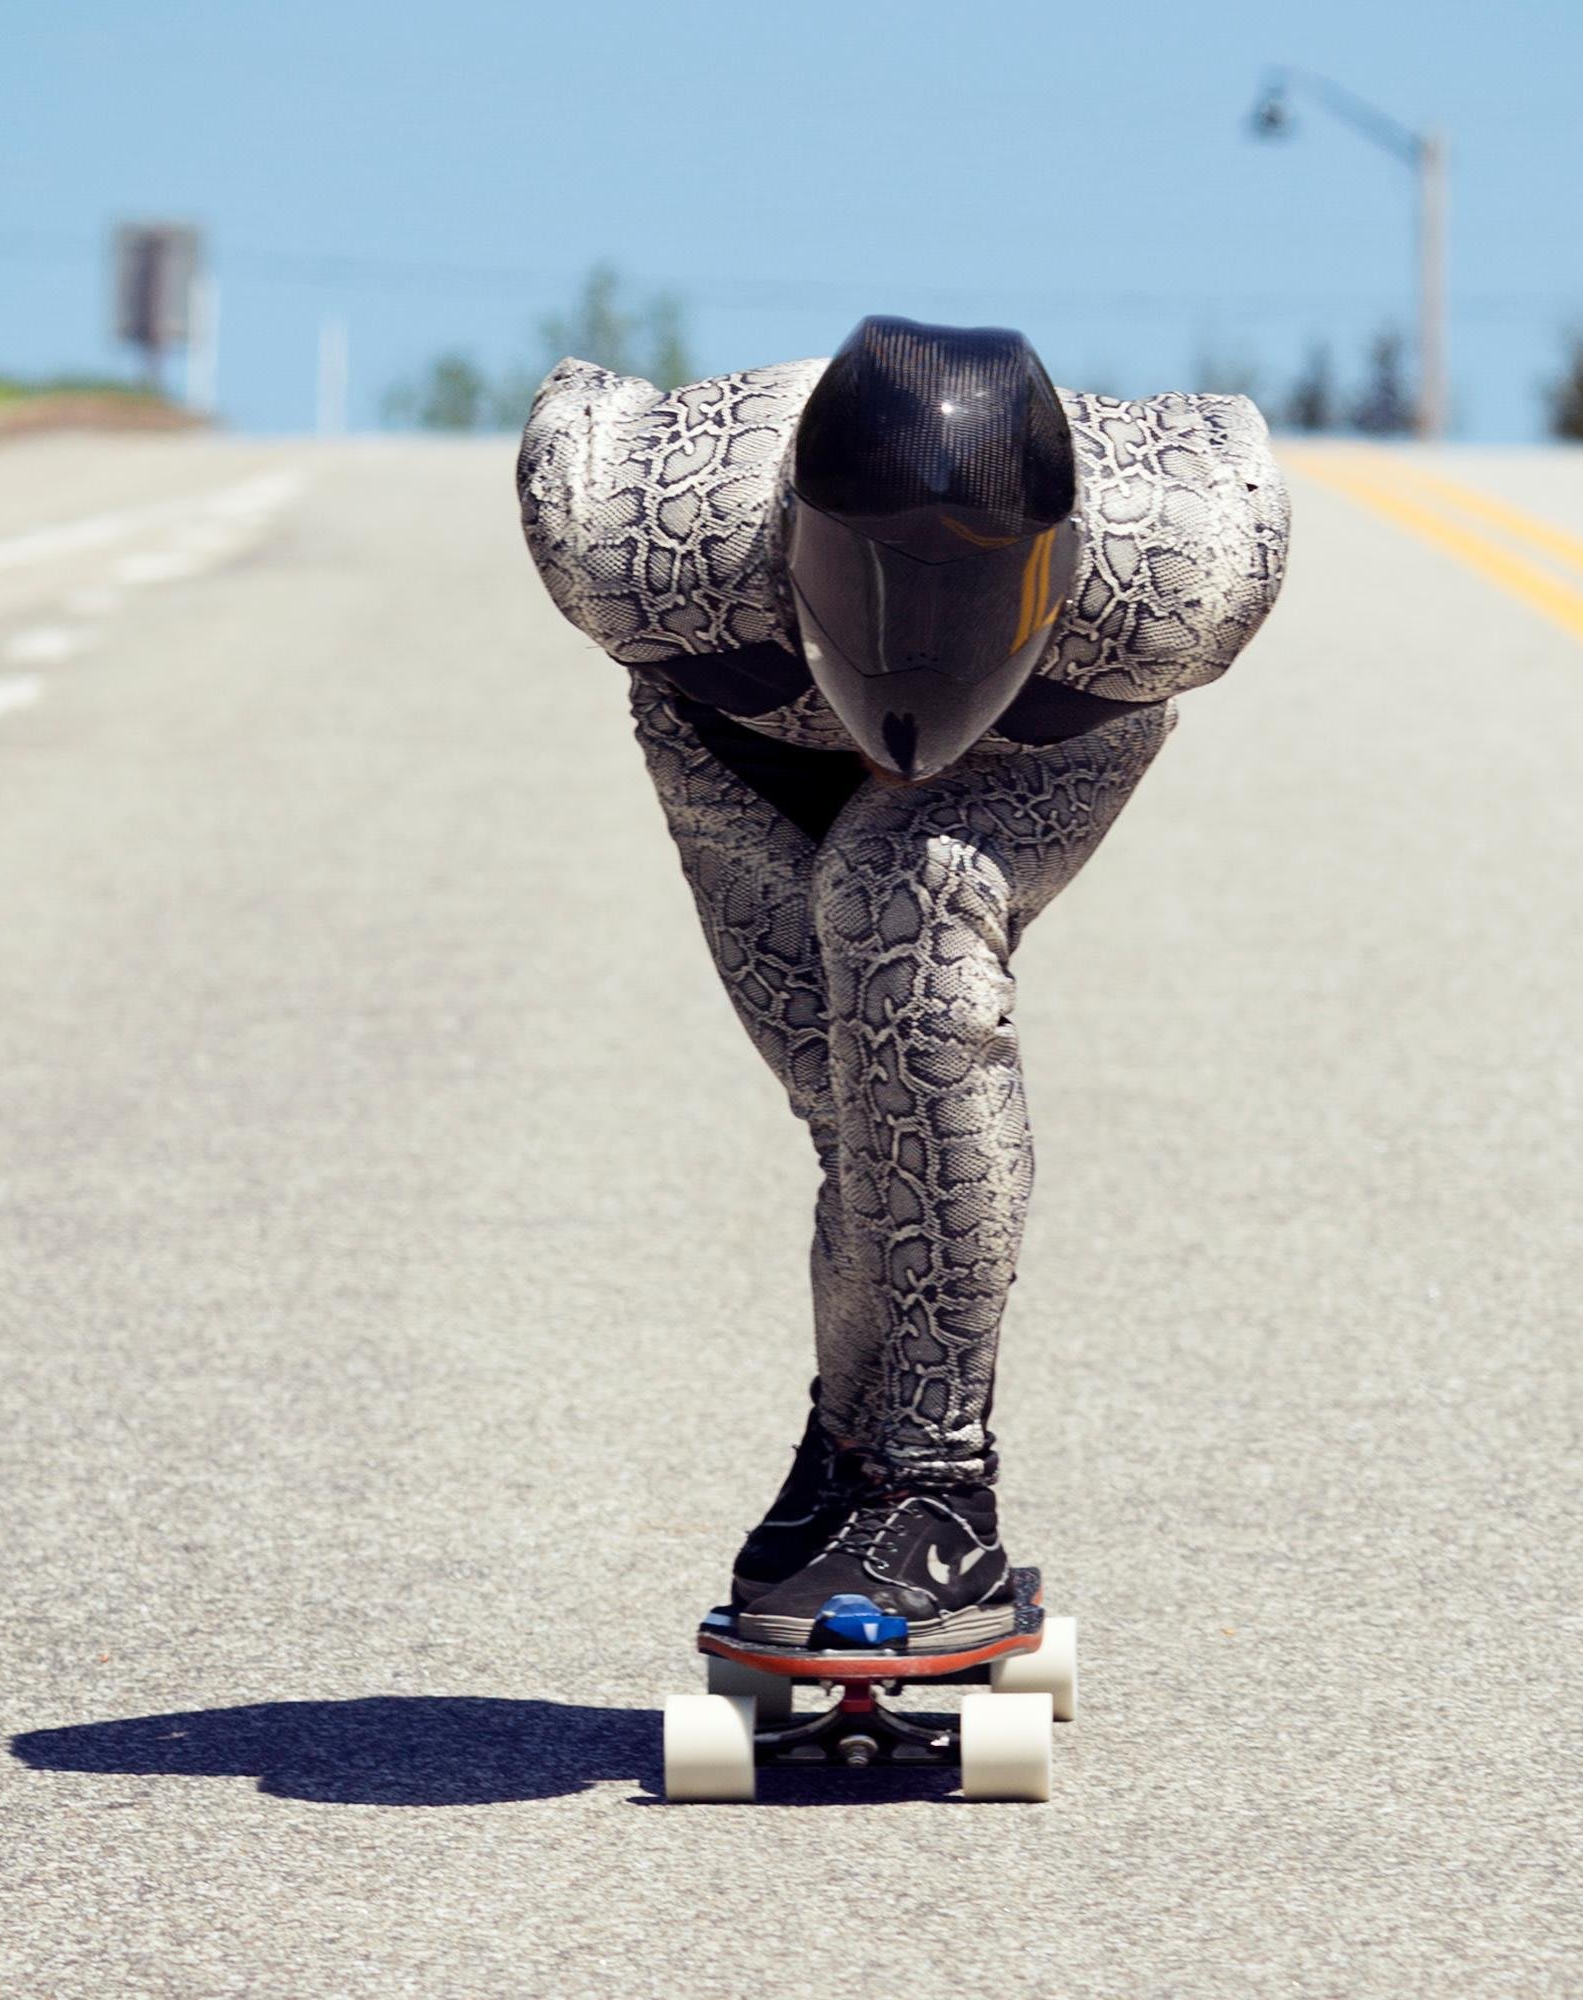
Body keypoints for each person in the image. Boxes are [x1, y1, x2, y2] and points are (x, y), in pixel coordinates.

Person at [517, 315, 1289, 1649]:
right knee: (858, 1100)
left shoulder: (1182, 572)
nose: (918, 644)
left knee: (906, 915)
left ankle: (937, 1491)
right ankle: (852, 1455)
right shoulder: (632, 534)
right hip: (737, 729)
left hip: (1047, 737)